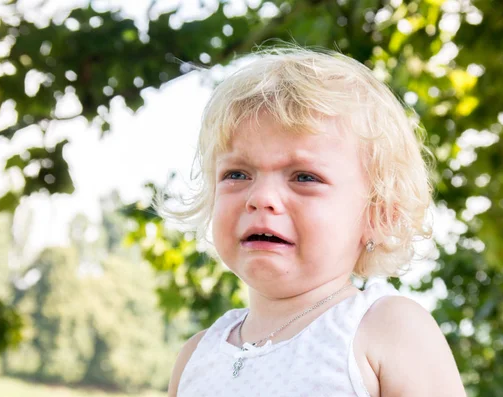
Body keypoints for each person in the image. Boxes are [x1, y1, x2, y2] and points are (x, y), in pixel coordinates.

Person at [164, 46, 466, 396]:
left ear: (379, 213)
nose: (260, 198)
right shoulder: (197, 357)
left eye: (304, 177)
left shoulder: (384, 330)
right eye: (237, 174)